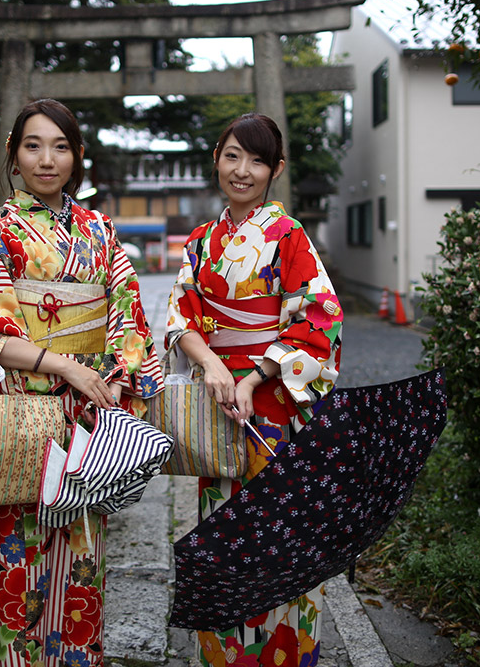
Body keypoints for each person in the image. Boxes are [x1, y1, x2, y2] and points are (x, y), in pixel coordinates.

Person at [0, 98, 163, 667]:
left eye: (61, 146)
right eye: (33, 145)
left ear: (78, 156)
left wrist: (117, 377)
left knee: (83, 562)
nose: (48, 159)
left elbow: (128, 313)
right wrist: (64, 365)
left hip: (87, 422)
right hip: (18, 410)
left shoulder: (99, 230)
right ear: (14, 157)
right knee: (16, 559)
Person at [164, 112, 343, 667]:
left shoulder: (287, 236)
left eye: (258, 160)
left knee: (282, 544)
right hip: (221, 413)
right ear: (216, 158)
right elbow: (179, 318)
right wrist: (212, 366)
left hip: (274, 413)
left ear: (276, 170)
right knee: (225, 544)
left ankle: (285, 655)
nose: (243, 171)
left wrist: (257, 373)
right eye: (233, 156)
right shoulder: (200, 241)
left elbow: (321, 317)